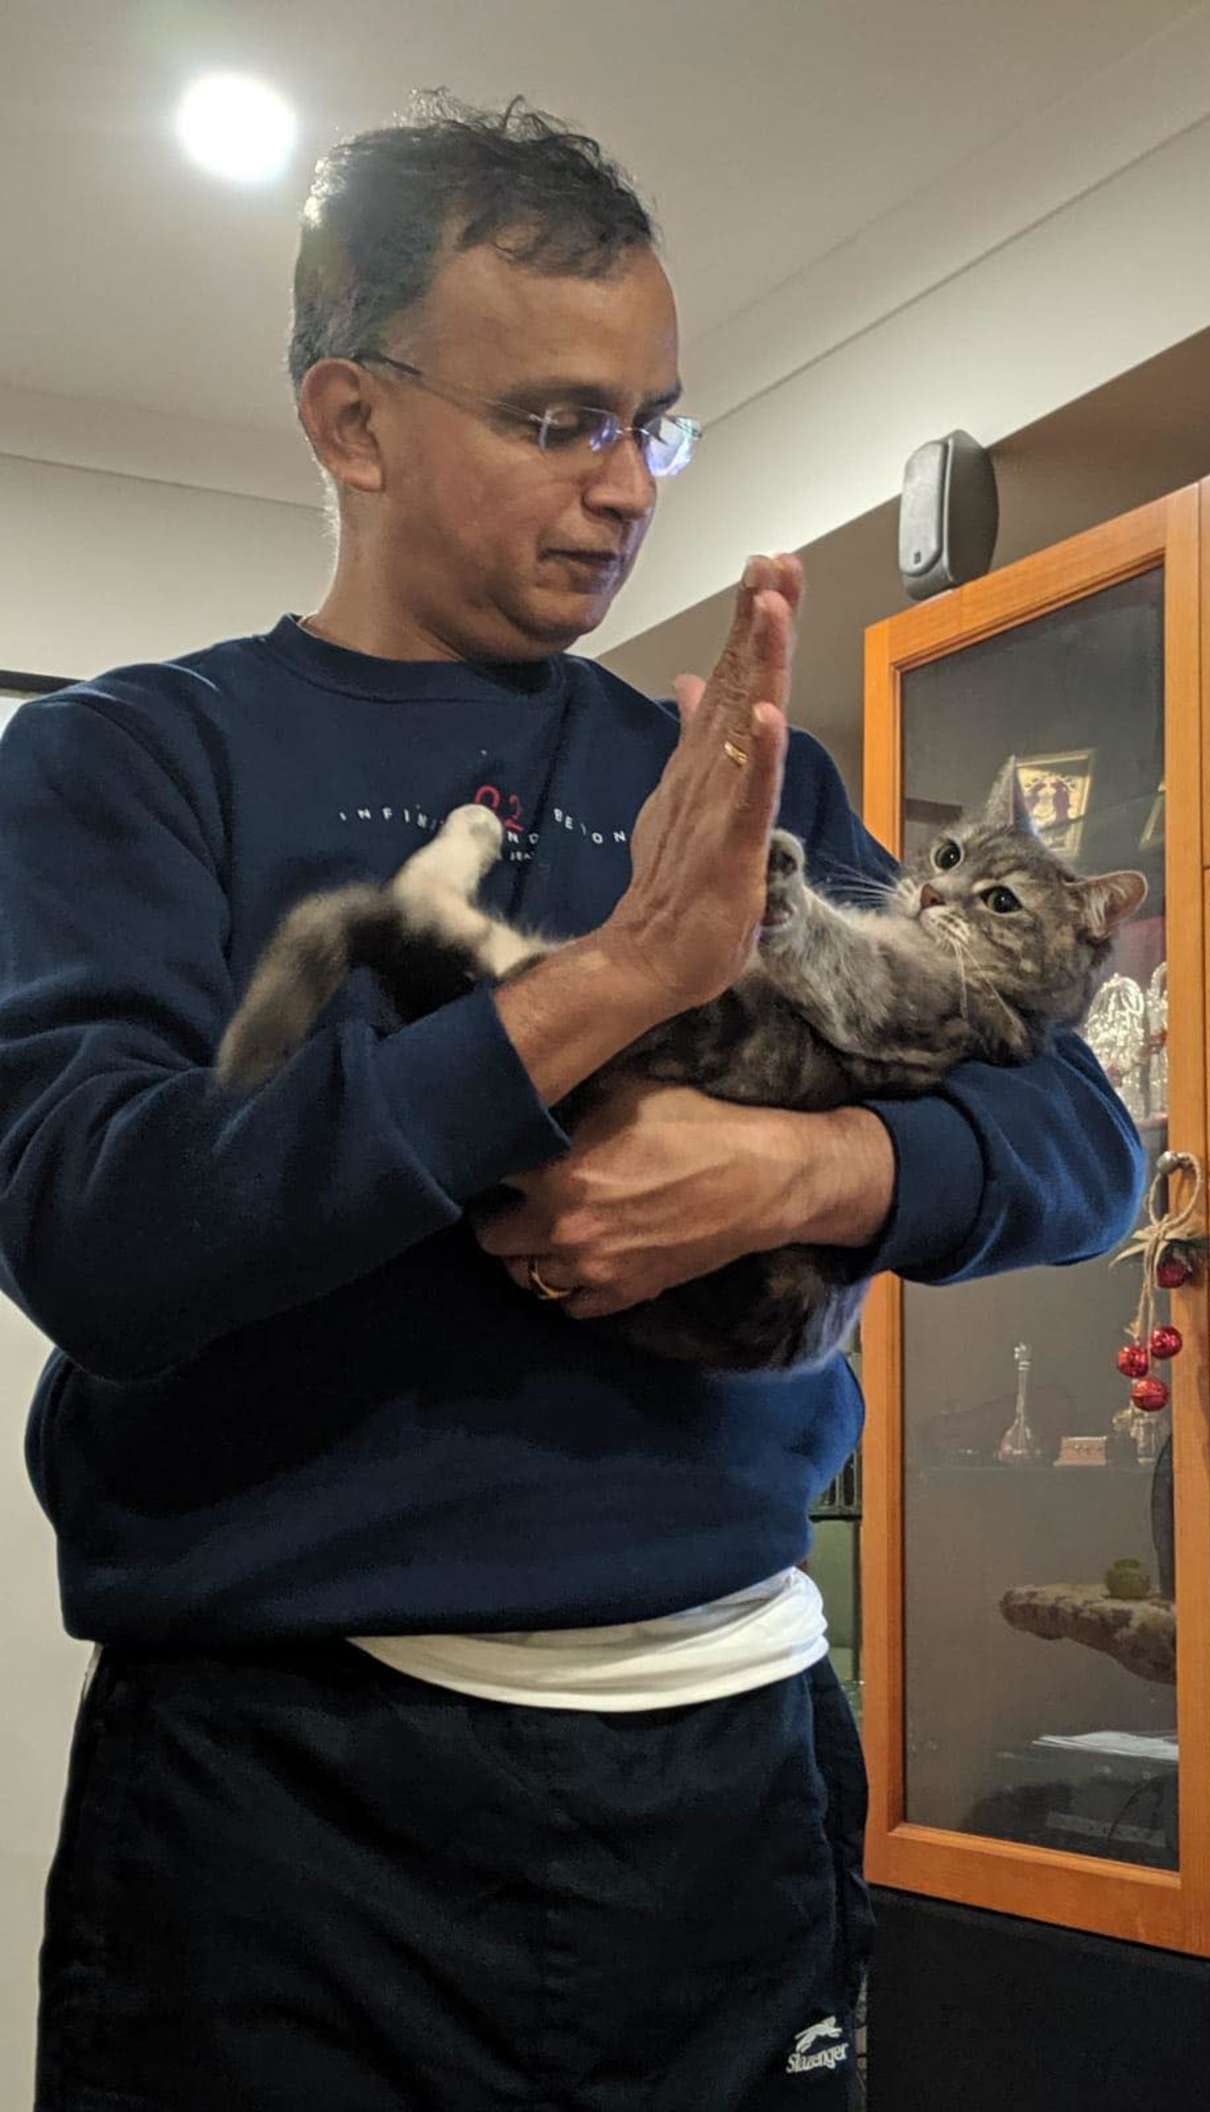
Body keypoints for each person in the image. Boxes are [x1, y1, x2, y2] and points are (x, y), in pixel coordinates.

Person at [1, 96, 1145, 2112]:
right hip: (290, 1806)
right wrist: (610, 991)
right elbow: (109, 1234)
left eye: (656, 424)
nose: (627, 487)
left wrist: (804, 1165)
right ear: (351, 424)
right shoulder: (136, 759)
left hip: (732, 1775)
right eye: (557, 421)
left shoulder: (740, 773)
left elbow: (1080, 1149)